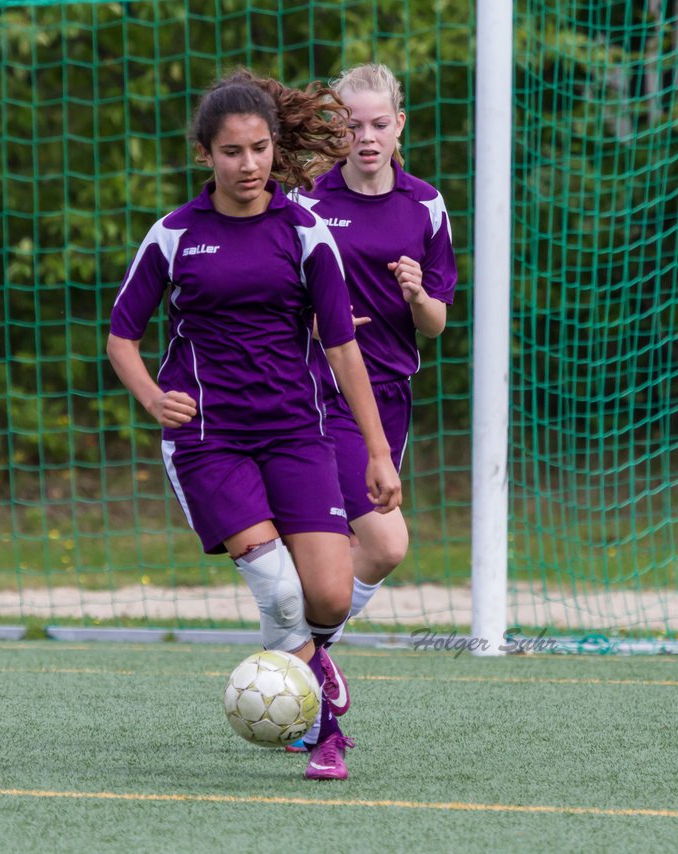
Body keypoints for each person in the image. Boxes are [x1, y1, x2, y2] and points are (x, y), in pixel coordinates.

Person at [107, 70, 402, 781]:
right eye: (233, 152)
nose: (250, 165)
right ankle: (321, 730)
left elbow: (342, 347)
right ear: (205, 154)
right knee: (279, 591)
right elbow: (121, 336)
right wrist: (151, 395)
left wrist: (378, 453)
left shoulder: (305, 232)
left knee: (329, 595)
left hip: (297, 432)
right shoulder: (174, 235)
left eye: (261, 148)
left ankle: (309, 658)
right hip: (209, 440)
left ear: (276, 147)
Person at [288, 63, 457, 746]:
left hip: (386, 398)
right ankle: (304, 665)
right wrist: (315, 323)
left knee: (369, 551)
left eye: (378, 124)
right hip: (313, 395)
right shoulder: (305, 203)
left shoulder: (426, 206)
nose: (365, 137)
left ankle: (305, 657)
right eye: (351, 125)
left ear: (399, 126)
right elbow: (275, 296)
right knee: (383, 540)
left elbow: (437, 322)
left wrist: (418, 295)